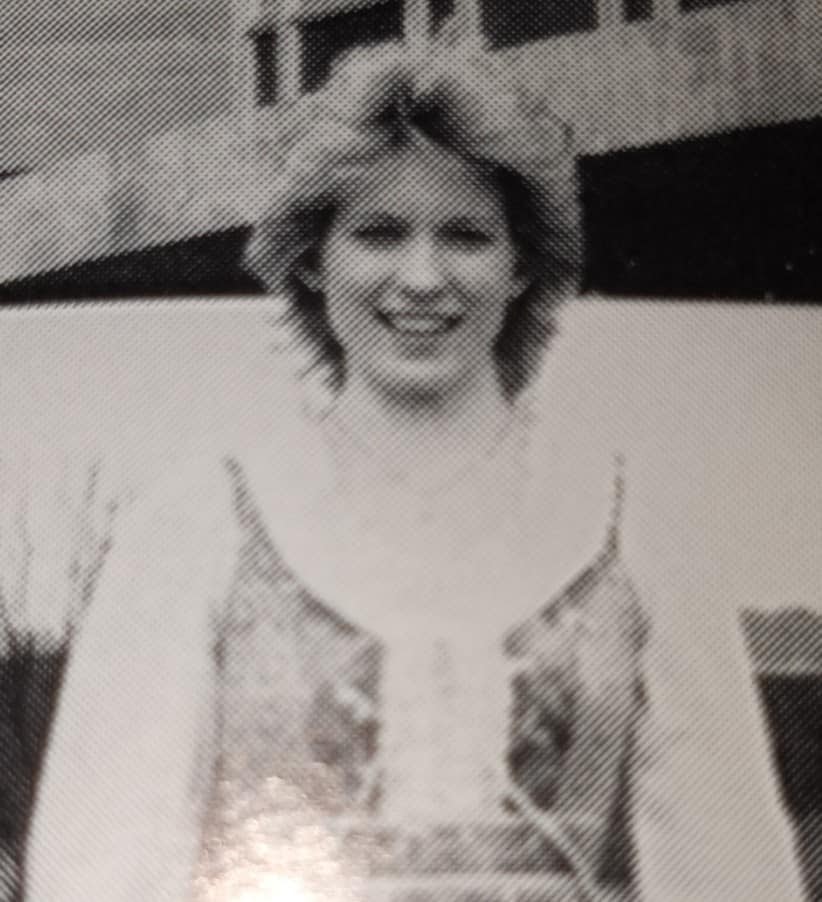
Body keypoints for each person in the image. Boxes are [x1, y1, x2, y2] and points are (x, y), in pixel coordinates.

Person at [23, 44, 805, 901]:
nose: (423, 277)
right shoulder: (198, 526)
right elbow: (102, 872)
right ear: (314, 259)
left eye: (466, 235)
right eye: (379, 233)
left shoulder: (638, 524)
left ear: (521, 265)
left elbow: (730, 869)